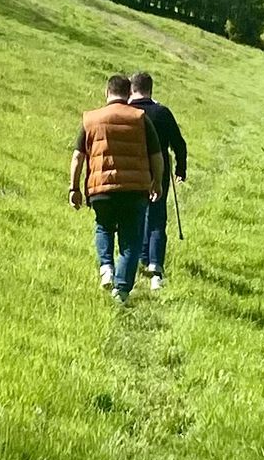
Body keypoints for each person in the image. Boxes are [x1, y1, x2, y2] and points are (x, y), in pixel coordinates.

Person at [69, 74, 163, 305]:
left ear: (106, 92)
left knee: (103, 227)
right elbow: (157, 155)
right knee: (131, 240)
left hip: (101, 188)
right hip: (135, 189)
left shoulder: (91, 119)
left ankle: (106, 268)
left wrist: (74, 188)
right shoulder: (140, 117)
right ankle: (121, 290)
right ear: (129, 93)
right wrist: (157, 182)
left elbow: (78, 157)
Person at [129, 71, 187, 292]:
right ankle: (155, 267)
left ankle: (138, 261)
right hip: (158, 170)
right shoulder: (162, 112)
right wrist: (181, 169)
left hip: (131, 171)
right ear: (150, 89)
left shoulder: (125, 112)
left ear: (132, 89)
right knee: (156, 217)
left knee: (134, 216)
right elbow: (179, 144)